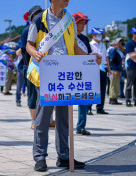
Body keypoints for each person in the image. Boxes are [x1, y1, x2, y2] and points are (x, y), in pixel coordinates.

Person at [26, 0, 101, 171]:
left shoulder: (69, 20)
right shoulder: (39, 19)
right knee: (43, 118)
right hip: (46, 72)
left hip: (64, 74)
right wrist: (35, 53)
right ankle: (39, 156)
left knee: (64, 118)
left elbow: (74, 46)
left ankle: (64, 156)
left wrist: (90, 57)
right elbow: (29, 45)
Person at [72, 12, 101, 135]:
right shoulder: (69, 37)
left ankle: (81, 126)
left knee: (83, 100)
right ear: (75, 23)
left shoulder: (84, 39)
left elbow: (88, 55)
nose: (83, 25)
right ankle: (63, 126)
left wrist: (94, 59)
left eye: (84, 22)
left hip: (83, 72)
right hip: (70, 71)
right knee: (64, 101)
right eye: (81, 22)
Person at [17, 6, 43, 128]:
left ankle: (48, 119)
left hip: (47, 67)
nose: (39, 16)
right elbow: (24, 50)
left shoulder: (48, 28)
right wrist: (29, 67)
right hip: (32, 67)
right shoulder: (27, 30)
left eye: (41, 13)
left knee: (46, 94)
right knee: (32, 94)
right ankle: (34, 120)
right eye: (36, 14)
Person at [88, 27, 111, 115]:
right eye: (98, 35)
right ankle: (88, 107)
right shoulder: (90, 44)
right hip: (93, 69)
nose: (100, 36)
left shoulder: (103, 45)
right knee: (92, 89)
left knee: (102, 89)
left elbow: (106, 57)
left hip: (103, 69)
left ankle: (100, 108)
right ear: (93, 35)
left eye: (101, 35)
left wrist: (109, 69)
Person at [108, 38, 124, 105]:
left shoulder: (116, 50)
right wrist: (115, 70)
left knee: (116, 84)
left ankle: (114, 98)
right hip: (113, 70)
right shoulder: (112, 50)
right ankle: (112, 99)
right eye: (119, 42)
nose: (120, 44)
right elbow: (112, 61)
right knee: (113, 84)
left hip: (116, 70)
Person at [125, 27, 136, 107]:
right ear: (133, 34)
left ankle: (135, 99)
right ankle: (128, 100)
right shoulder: (129, 43)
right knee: (129, 84)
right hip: (131, 66)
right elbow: (132, 56)